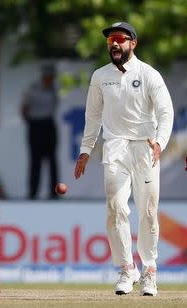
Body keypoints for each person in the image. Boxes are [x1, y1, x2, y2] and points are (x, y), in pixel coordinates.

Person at [74, 21, 174, 296]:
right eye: (110, 40)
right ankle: (126, 269)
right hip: (115, 146)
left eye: (120, 38)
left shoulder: (149, 74)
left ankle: (149, 271)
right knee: (116, 207)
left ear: (133, 43)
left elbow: (166, 112)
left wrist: (160, 143)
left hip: (145, 147)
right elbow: (93, 117)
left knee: (148, 211)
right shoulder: (100, 76)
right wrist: (85, 150)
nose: (114, 44)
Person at [21, 64, 59, 199]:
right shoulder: (32, 89)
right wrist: (31, 122)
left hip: (48, 124)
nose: (50, 80)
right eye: (48, 77)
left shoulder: (54, 89)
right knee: (35, 160)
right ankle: (33, 192)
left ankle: (54, 193)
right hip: (35, 124)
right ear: (44, 77)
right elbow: (24, 108)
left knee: (52, 160)